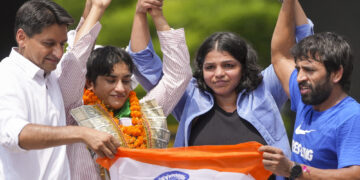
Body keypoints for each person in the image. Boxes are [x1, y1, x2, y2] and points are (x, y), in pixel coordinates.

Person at [129, 1, 312, 179]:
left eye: (228, 65)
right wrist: (141, 14)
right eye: (210, 67)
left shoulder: (265, 88)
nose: (219, 74)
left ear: (244, 66)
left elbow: (302, 47)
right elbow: (144, 63)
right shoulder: (189, 98)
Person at [0, 0, 119, 179]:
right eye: (49, 44)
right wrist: (81, 133)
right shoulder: (7, 76)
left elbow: (77, 56)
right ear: (21, 37)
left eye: (62, 44)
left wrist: (94, 9)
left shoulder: (50, 75)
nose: (58, 53)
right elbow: (17, 134)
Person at [259, 0, 360, 179]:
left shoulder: (351, 117)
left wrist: (293, 169)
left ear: (336, 74)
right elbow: (281, 55)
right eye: (298, 69)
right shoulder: (307, 97)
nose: (299, 77)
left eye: (310, 70)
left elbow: (355, 175)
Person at [83, 0, 191, 143]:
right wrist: (96, 8)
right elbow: (77, 57)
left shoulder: (145, 114)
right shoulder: (73, 113)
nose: (121, 88)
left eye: (126, 80)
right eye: (111, 80)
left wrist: (155, 15)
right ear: (90, 82)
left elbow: (178, 75)